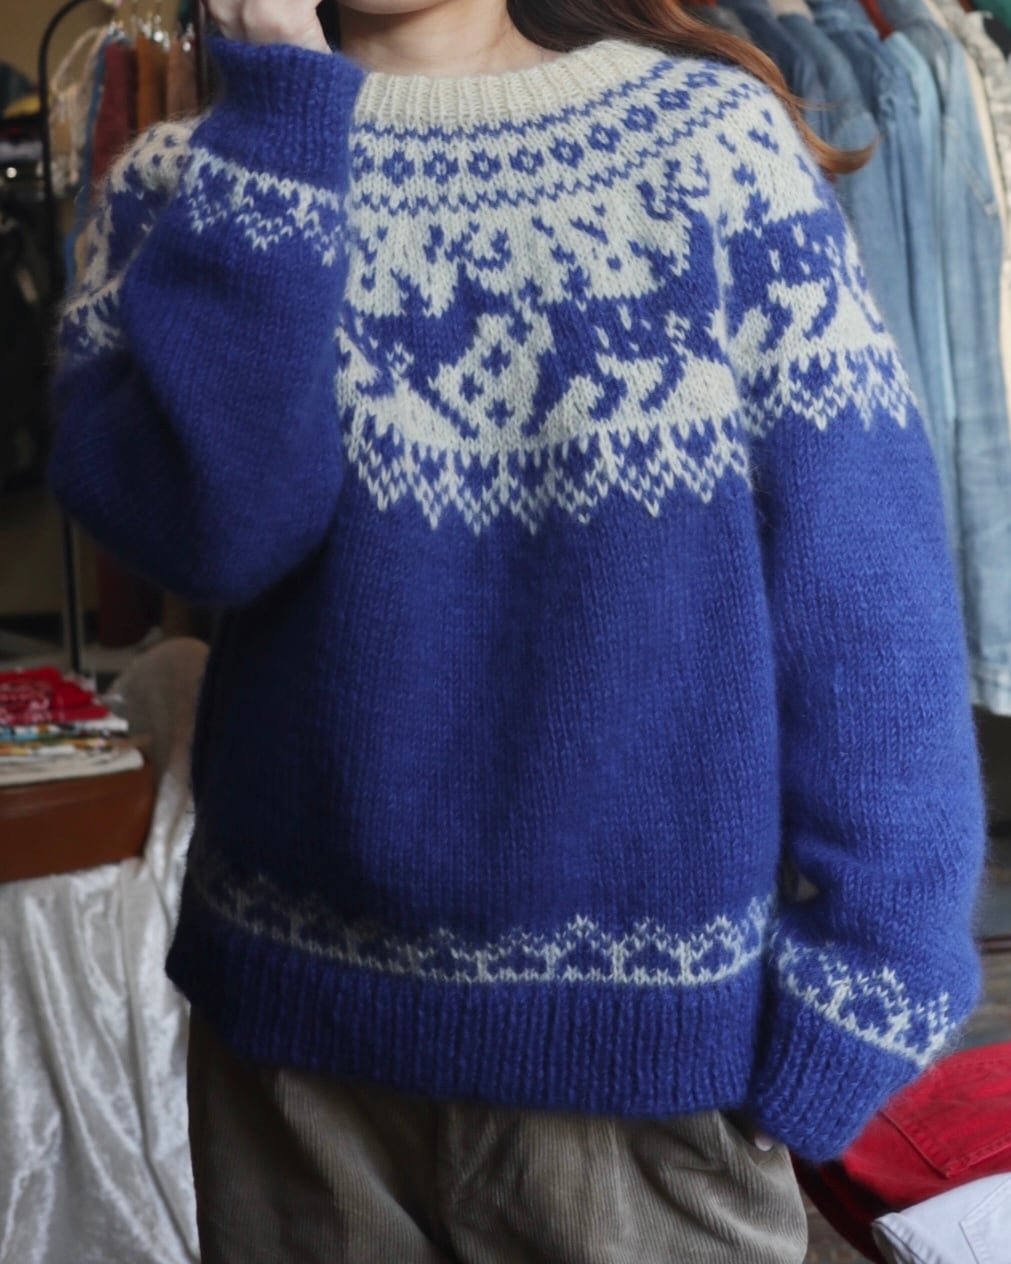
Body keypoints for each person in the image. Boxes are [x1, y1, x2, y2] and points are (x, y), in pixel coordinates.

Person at [47, 0, 988, 1259]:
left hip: (643, 1088)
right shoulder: (176, 188)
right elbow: (218, 532)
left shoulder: (707, 147)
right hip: (295, 1069)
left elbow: (866, 583)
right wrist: (279, 114)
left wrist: (878, 969)